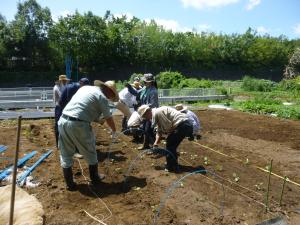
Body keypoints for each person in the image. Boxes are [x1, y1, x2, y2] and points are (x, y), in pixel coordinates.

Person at [58, 80, 118, 191]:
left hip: (63, 120)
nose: (111, 98)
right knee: (90, 151)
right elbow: (108, 117)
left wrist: (97, 119)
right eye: (112, 95)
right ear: (109, 91)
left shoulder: (85, 88)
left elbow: (82, 107)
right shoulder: (102, 97)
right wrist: (114, 130)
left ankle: (69, 184)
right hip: (79, 125)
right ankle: (95, 178)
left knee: (65, 152)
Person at [138, 105, 193, 173]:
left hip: (183, 125)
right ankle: (172, 165)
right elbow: (159, 131)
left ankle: (172, 166)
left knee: (170, 145)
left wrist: (163, 152)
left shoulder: (158, 113)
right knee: (171, 145)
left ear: (148, 112)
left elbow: (167, 127)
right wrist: (155, 143)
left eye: (145, 116)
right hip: (184, 125)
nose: (146, 118)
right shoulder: (157, 114)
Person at [57, 77, 90, 158]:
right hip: (61, 108)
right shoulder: (72, 87)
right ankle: (71, 150)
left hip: (67, 109)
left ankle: (66, 147)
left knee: (67, 128)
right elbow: (70, 101)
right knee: (65, 128)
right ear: (81, 83)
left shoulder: (78, 88)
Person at [127, 73, 159, 150]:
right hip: (145, 112)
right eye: (144, 81)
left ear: (150, 82)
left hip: (150, 113)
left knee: (149, 130)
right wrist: (129, 87)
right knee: (145, 129)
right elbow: (137, 93)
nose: (144, 83)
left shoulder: (153, 91)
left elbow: (153, 104)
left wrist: (142, 107)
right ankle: (146, 145)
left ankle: (154, 147)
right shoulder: (145, 88)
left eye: (145, 81)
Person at [53, 75, 69, 148]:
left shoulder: (64, 86)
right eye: (64, 81)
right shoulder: (57, 87)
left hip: (63, 107)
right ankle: (58, 144)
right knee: (58, 125)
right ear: (61, 81)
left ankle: (65, 142)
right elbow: (63, 97)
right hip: (59, 107)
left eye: (66, 81)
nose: (66, 82)